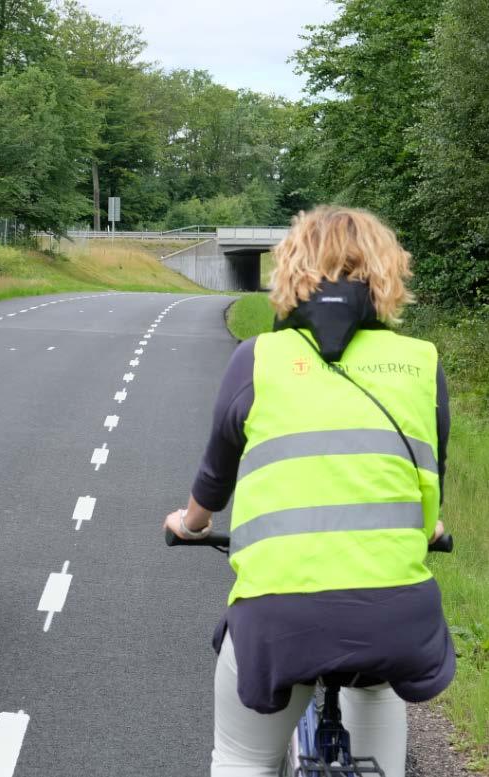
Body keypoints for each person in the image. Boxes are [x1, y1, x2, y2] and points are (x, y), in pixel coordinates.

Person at [165, 206, 455, 777]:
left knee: (242, 758)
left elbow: (214, 478)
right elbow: (426, 482)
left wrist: (190, 523)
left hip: (281, 619)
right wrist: (430, 528)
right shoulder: (423, 364)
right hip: (391, 618)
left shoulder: (258, 359)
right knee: (377, 723)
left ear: (291, 271)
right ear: (387, 273)